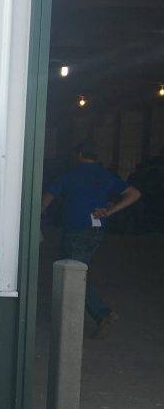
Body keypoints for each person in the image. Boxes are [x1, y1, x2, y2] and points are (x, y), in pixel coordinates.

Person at [41, 139, 141, 339]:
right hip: (96, 231)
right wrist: (110, 211)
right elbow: (134, 193)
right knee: (78, 271)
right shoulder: (106, 176)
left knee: (74, 276)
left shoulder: (70, 175)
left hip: (75, 231)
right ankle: (84, 313)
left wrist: (34, 221)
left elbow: (46, 200)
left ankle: (101, 313)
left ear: (79, 155)